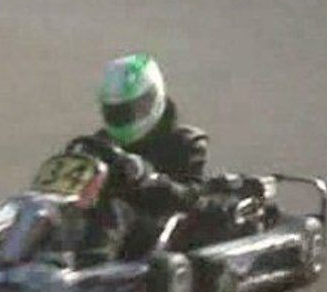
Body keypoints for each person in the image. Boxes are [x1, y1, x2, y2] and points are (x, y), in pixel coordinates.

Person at [64, 53, 218, 264]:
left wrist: (149, 178)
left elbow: (192, 198)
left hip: (154, 223)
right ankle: (17, 254)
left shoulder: (184, 142)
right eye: (116, 112)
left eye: (130, 111)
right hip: (101, 220)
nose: (124, 119)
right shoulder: (101, 142)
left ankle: (93, 267)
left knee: (115, 209)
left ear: (153, 99)